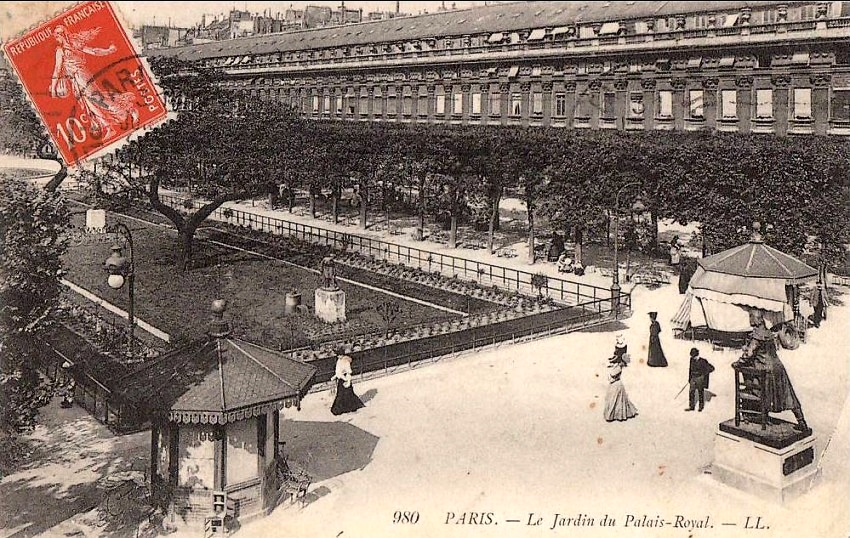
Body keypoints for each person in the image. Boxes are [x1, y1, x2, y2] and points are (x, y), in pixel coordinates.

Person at [49, 25, 139, 140]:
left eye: (57, 35)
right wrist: (109, 50)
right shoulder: (71, 46)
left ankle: (129, 109)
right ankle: (108, 126)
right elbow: (94, 51)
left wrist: (53, 88)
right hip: (77, 79)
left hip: (81, 76)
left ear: (62, 35)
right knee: (90, 104)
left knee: (97, 99)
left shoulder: (62, 51)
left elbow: (57, 69)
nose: (56, 38)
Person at [735, 323, 809, 432]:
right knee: (788, 394)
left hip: (766, 370)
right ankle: (801, 421)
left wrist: (738, 363)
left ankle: (756, 416)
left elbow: (748, 354)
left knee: (760, 391)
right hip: (778, 367)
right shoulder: (768, 334)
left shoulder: (757, 335)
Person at [603, 343, 638, 422]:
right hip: (618, 384)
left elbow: (612, 376)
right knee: (619, 400)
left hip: (615, 384)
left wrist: (610, 377)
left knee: (614, 400)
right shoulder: (618, 366)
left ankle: (612, 415)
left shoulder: (618, 368)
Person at [685, 348, 714, 412]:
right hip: (693, 378)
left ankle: (701, 407)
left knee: (700, 392)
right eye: (692, 356)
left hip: (700, 378)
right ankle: (691, 406)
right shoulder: (691, 360)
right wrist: (689, 378)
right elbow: (690, 369)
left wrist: (703, 375)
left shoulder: (703, 361)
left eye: (694, 356)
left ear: (697, 355)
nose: (693, 357)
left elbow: (711, 368)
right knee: (691, 392)